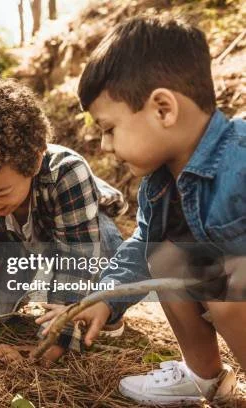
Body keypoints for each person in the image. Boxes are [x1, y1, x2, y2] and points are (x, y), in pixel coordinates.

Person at [58, 16, 245, 405]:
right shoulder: (159, 188)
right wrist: (105, 298)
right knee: (164, 257)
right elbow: (141, 247)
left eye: (109, 129)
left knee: (229, 289)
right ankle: (204, 378)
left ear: (163, 109)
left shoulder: (240, 158)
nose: (106, 146)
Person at [0, 77, 128, 363]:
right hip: (21, 249)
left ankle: (107, 313)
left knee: (107, 241)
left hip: (76, 242)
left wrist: (58, 337)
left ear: (35, 161)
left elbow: (76, 259)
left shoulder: (67, 173)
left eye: (1, 192)